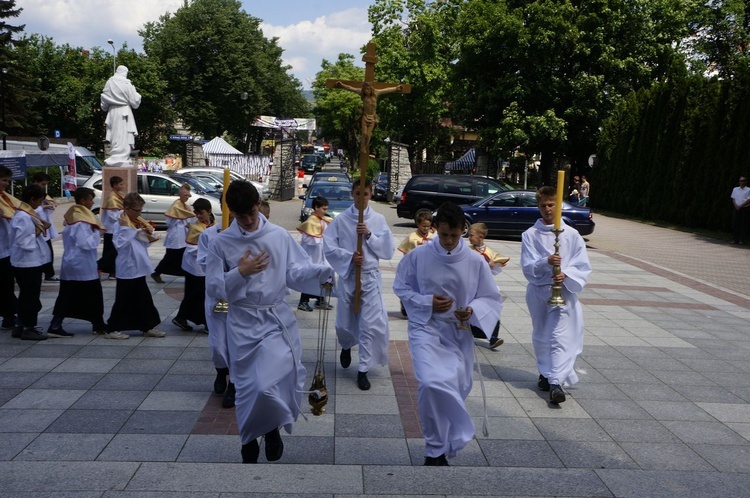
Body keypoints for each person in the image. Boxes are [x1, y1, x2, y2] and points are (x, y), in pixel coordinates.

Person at [205, 180, 333, 464]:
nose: (249, 221)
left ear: (259, 205)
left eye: (252, 213)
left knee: (269, 383)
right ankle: (249, 437)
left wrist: (321, 273)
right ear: (231, 213)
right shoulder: (220, 242)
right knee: (249, 386)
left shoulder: (278, 236)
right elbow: (215, 288)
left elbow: (295, 272)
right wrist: (240, 272)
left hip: (275, 320)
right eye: (241, 216)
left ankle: (272, 428)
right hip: (242, 321)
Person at [393, 202, 502, 466]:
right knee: (431, 383)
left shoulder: (475, 261)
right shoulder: (418, 256)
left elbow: (490, 297)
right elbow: (401, 286)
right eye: (443, 235)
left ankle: (444, 443)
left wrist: (472, 310)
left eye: (454, 235)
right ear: (435, 228)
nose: (449, 241)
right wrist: (426, 301)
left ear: (463, 230)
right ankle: (434, 450)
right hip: (426, 328)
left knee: (452, 386)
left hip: (458, 331)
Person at [521, 186, 592, 405]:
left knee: (560, 337)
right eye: (543, 205)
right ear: (538, 206)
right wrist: (546, 262)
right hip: (540, 293)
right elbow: (527, 267)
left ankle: (555, 383)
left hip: (564, 294)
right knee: (543, 336)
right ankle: (546, 372)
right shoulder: (530, 235)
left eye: (551, 205)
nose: (547, 209)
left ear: (558, 205)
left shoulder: (571, 235)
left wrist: (566, 275)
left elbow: (582, 265)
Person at [324, 178, 395, 391]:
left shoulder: (379, 219)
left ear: (370, 194)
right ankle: (346, 344)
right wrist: (348, 258)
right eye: (357, 193)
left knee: (368, 324)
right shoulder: (341, 220)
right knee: (344, 323)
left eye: (365, 194)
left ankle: (363, 369)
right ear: (352, 194)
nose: (361, 198)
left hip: (370, 277)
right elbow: (329, 246)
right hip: (349, 275)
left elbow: (387, 250)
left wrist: (369, 235)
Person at [47, 188, 106, 338]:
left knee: (75, 296)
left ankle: (97, 323)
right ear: (83, 201)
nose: (92, 202)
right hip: (81, 264)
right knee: (79, 296)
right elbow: (86, 244)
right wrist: (97, 233)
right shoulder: (82, 221)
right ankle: (56, 325)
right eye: (91, 199)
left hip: (76, 263)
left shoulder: (73, 216)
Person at [106, 192, 164, 339]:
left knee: (143, 298)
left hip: (137, 266)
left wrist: (144, 232)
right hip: (127, 266)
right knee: (123, 299)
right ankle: (112, 329)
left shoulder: (134, 221)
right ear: (126, 208)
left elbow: (139, 240)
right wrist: (129, 230)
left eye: (140, 210)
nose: (139, 213)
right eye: (136, 210)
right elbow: (119, 243)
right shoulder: (120, 223)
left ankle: (147, 326)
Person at [199, 210, 235, 408]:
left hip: (240, 299)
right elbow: (203, 262)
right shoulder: (210, 235)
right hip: (218, 296)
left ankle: (235, 386)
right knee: (218, 343)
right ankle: (221, 371)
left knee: (239, 344)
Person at [10, 184, 51, 341]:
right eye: (39, 201)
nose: (39, 205)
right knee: (31, 296)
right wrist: (38, 231)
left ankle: (20, 326)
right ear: (32, 199)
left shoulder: (25, 214)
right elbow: (24, 242)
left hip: (25, 262)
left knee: (25, 295)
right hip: (28, 263)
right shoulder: (23, 216)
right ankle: (28, 327)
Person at [173, 198, 213, 332]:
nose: (199, 216)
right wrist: (211, 251)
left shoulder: (213, 224)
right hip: (194, 267)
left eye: (201, 213)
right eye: (197, 213)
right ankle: (206, 322)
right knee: (199, 294)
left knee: (194, 295)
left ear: (209, 211)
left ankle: (181, 317)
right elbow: (191, 248)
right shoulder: (195, 227)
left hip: (203, 267)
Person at [467, 222, 509, 350]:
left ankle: (493, 337)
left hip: (485, 286)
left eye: (471, 235)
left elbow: (496, 270)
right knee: (472, 311)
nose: (469, 238)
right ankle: (470, 332)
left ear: (480, 236)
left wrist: (492, 265)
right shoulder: (467, 251)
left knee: (492, 309)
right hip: (471, 286)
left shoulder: (490, 252)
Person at [396, 208, 436, 316]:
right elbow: (406, 253)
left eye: (428, 226)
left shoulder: (433, 237)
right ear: (418, 224)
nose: (426, 228)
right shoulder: (412, 237)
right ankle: (405, 305)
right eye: (424, 226)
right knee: (411, 288)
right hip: (414, 268)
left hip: (427, 269)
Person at [152, 184, 195, 283]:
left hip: (181, 235)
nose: (187, 198)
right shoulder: (177, 205)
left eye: (188, 196)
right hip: (176, 235)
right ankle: (157, 272)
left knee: (179, 255)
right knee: (171, 255)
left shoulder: (184, 205)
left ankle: (183, 272)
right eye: (185, 195)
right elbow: (172, 220)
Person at [297, 196, 333, 312]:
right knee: (311, 278)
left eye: (326, 209)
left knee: (325, 276)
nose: (325, 212)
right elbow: (308, 240)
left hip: (322, 255)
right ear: (316, 208)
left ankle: (320, 299)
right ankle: (303, 301)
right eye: (323, 209)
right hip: (312, 256)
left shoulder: (324, 220)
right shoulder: (310, 222)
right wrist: (321, 238)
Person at [101, 65, 142, 165]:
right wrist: (138, 96)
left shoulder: (109, 82)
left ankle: (115, 155)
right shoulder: (127, 84)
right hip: (125, 112)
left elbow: (103, 99)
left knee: (115, 134)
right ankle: (122, 156)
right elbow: (135, 102)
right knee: (123, 134)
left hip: (113, 112)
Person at [0, 165, 20, 330]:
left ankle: (9, 316)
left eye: (7, 180)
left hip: (6, 249)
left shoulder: (6, 198)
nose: (6, 184)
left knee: (6, 284)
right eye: (4, 180)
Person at [31, 172, 60, 282]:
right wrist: (42, 208)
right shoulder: (31, 194)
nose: (44, 187)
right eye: (42, 184)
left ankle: (49, 274)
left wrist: (50, 205)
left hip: (44, 227)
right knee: (39, 252)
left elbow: (50, 208)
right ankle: (43, 272)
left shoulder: (42, 194)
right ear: (35, 182)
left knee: (48, 252)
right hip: (36, 227)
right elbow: (30, 210)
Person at [97, 175, 125, 279]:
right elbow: (111, 215)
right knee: (112, 252)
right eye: (121, 184)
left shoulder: (119, 195)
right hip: (112, 229)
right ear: (115, 185)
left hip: (116, 229)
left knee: (112, 252)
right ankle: (100, 267)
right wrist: (123, 215)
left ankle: (111, 271)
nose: (122, 186)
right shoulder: (113, 197)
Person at [731, 175, 750, 244]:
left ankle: (742, 240)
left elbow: (749, 199)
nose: (741, 182)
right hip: (737, 208)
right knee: (736, 223)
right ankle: (735, 239)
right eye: (740, 181)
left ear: (745, 182)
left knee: (743, 224)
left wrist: (741, 206)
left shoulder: (748, 189)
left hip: (745, 208)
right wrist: (736, 205)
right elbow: (733, 198)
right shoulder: (735, 189)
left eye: (743, 181)